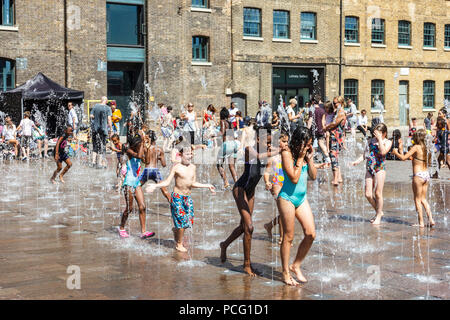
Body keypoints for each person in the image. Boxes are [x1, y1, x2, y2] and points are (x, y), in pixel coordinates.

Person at [220, 127, 276, 276]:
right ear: (258, 139)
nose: (269, 145)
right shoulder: (248, 149)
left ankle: (224, 245)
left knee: (244, 227)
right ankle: (246, 265)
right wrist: (278, 151)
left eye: (270, 143)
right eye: (267, 142)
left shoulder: (267, 154)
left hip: (250, 193)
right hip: (240, 190)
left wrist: (271, 183)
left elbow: (272, 169)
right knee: (249, 227)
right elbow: (258, 156)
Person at [146, 145, 216, 252]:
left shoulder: (193, 167)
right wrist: (155, 186)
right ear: (181, 155)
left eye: (191, 154)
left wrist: (207, 185)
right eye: (187, 154)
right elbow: (167, 182)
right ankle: (179, 244)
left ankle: (176, 230)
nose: (190, 156)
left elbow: (193, 183)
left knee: (188, 222)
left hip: (187, 198)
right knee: (182, 221)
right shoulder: (177, 167)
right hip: (177, 197)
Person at [277, 126, 317, 285]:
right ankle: (285, 272)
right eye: (307, 144)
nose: (309, 146)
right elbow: (293, 178)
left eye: (310, 144)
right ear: (300, 142)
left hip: (301, 199)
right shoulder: (286, 153)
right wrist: (300, 158)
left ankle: (296, 265)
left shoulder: (305, 154)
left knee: (311, 233)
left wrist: (310, 158)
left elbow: (313, 176)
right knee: (288, 237)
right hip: (287, 198)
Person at [392, 129, 435, 228]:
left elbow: (403, 158)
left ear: (416, 138)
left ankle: (421, 222)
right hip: (426, 174)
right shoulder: (426, 147)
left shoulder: (416, 147)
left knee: (417, 199)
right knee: (424, 199)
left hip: (418, 175)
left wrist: (396, 152)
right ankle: (431, 219)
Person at [351, 123, 392, 225]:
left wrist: (379, 140)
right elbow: (365, 155)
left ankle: (378, 216)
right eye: (375, 133)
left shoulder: (387, 142)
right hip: (369, 168)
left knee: (378, 193)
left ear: (384, 133)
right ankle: (379, 211)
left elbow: (383, 152)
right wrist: (356, 161)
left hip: (380, 168)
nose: (375, 135)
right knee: (368, 194)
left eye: (378, 134)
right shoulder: (370, 141)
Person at [119, 130, 155, 239]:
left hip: (136, 183)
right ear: (136, 144)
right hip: (128, 183)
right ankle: (121, 227)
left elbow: (147, 161)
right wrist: (143, 143)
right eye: (140, 144)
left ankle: (143, 231)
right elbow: (139, 156)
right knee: (129, 208)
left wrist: (147, 148)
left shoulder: (140, 149)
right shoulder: (129, 151)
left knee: (142, 207)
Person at [263, 132, 289, 244]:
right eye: (283, 142)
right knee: (283, 212)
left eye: (287, 141)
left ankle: (269, 226)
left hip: (287, 184)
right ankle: (282, 238)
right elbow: (266, 172)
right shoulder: (273, 158)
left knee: (287, 212)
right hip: (276, 184)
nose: (286, 144)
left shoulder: (288, 155)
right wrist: (267, 181)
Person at [139, 129, 171, 203]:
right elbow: (164, 164)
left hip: (147, 170)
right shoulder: (159, 149)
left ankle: (135, 204)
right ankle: (174, 206)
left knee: (137, 187)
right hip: (155, 171)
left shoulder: (145, 148)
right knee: (164, 190)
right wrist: (159, 158)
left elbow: (144, 161)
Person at [324, 97, 346, 186]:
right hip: (336, 137)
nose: (334, 104)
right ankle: (339, 177)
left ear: (341, 102)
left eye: (335, 103)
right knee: (335, 157)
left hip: (335, 138)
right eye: (333, 103)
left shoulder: (340, 112)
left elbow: (334, 124)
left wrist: (325, 127)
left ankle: (335, 179)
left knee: (333, 157)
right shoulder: (338, 111)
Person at [216, 107, 238, 188]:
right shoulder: (231, 123)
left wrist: (213, 134)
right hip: (234, 144)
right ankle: (237, 183)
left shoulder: (222, 122)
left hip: (227, 144)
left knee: (219, 164)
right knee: (231, 166)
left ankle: (226, 182)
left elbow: (222, 132)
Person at [91, 96, 112, 168]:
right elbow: (109, 119)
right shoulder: (108, 108)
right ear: (106, 101)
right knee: (102, 146)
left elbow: (91, 115)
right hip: (103, 130)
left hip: (95, 130)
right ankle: (100, 163)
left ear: (101, 100)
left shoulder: (95, 106)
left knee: (95, 146)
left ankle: (93, 162)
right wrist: (111, 129)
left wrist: (96, 118)